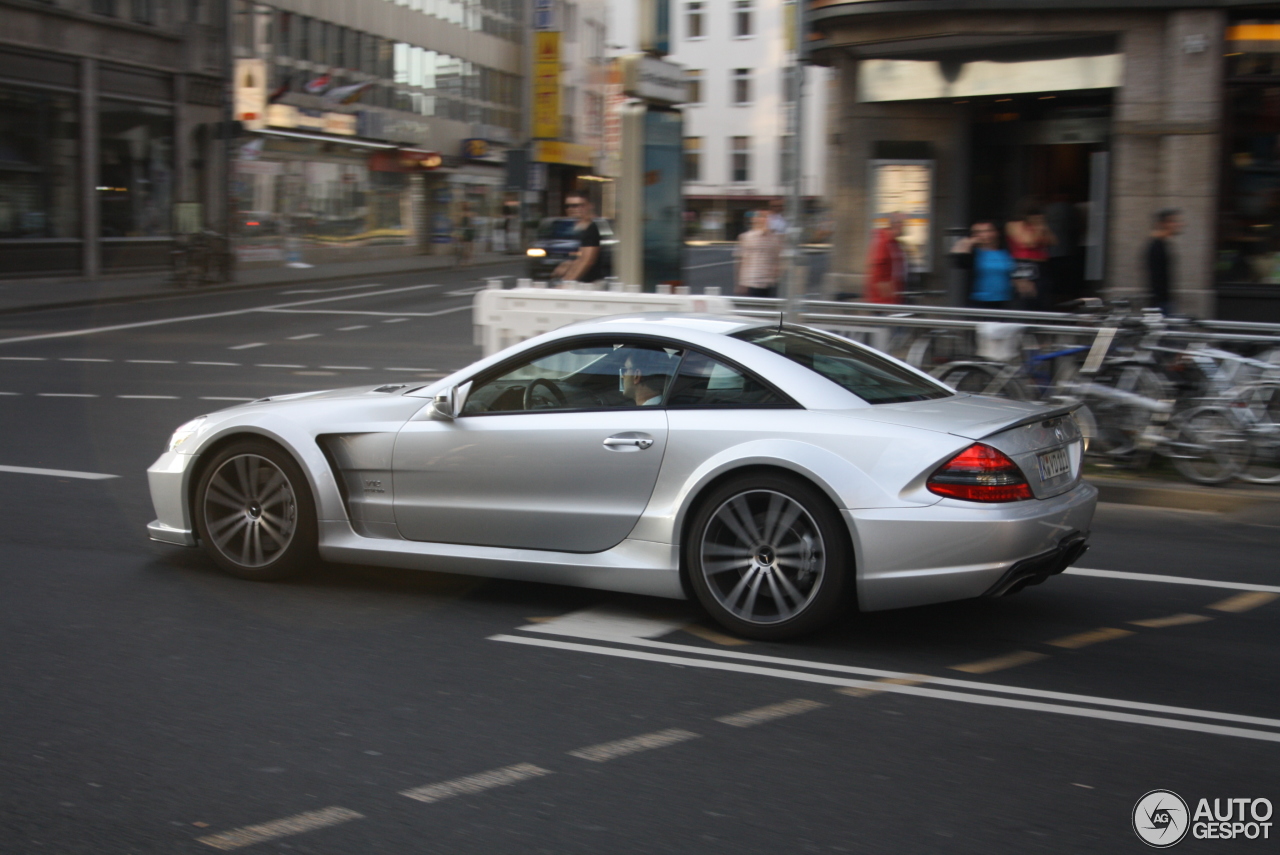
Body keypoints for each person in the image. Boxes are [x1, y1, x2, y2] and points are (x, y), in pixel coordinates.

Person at [951, 220, 1017, 309]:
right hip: (978, 301)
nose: (985, 235)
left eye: (988, 231)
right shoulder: (973, 253)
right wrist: (969, 241)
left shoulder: (1006, 251)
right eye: (978, 232)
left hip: (1005, 301)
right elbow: (958, 258)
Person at [1006, 201, 1056, 309]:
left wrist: (1043, 227)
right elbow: (1029, 242)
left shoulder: (1041, 226)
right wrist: (1038, 228)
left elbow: (1053, 241)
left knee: (1043, 299)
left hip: (1042, 266)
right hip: (1024, 264)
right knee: (1026, 298)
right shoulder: (1015, 224)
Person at [552, 194, 603, 284]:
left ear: (589, 206)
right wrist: (568, 264)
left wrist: (567, 283)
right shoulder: (577, 228)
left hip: (590, 284)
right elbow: (579, 256)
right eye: (568, 206)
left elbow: (586, 260)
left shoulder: (592, 228)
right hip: (581, 283)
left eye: (577, 205)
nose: (571, 209)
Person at [734, 210, 783, 297]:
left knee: (770, 309)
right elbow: (741, 260)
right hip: (752, 282)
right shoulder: (746, 237)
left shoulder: (775, 238)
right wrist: (739, 282)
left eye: (767, 217)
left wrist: (777, 276)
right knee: (754, 308)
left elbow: (778, 260)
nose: (765, 220)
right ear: (755, 219)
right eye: (762, 217)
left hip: (770, 283)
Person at [864, 211, 906, 304]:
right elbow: (878, 272)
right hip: (882, 301)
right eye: (903, 223)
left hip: (892, 298)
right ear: (896, 225)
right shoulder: (883, 242)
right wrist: (889, 299)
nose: (905, 227)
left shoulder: (894, 243)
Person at [1145, 208, 1182, 314]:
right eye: (1173, 221)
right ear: (1164, 224)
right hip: (1161, 304)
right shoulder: (1156, 246)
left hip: (1163, 303)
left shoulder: (1162, 245)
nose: (1177, 224)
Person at [453, 201, 474, 267]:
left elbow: (470, 224)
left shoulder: (467, 214)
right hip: (465, 231)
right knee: (465, 246)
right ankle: (466, 260)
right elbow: (459, 224)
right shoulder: (464, 214)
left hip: (467, 231)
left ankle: (467, 260)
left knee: (466, 246)